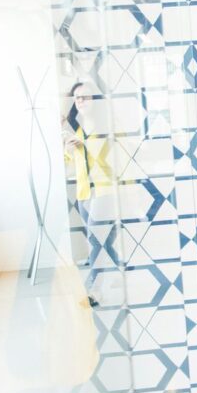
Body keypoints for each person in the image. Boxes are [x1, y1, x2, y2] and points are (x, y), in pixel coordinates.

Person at [61, 81, 114, 307]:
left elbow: (111, 160)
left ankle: (94, 290)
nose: (81, 101)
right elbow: (71, 161)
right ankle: (111, 272)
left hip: (105, 190)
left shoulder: (106, 126)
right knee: (103, 241)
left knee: (95, 240)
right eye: (77, 98)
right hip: (84, 192)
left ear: (96, 100)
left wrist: (85, 145)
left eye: (85, 96)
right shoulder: (79, 129)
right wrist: (68, 150)